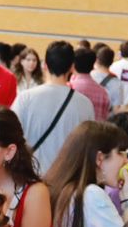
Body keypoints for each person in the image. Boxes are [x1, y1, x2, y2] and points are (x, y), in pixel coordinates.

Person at [43, 120, 128, 227]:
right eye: (121, 153)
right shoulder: (92, 195)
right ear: (99, 158)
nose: (126, 161)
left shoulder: (60, 188)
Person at [15, 40, 88, 171]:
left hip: (31, 175)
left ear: (45, 65)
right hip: (67, 179)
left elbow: (11, 135)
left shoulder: (25, 98)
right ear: (72, 67)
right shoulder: (85, 104)